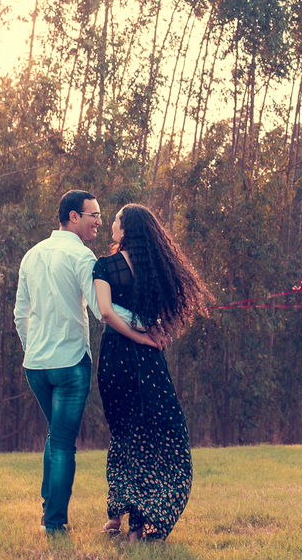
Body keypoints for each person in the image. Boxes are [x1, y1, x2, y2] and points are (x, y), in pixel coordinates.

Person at [92, 203, 209, 543]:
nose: (111, 224)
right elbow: (153, 316)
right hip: (147, 360)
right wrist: (146, 335)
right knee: (156, 434)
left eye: (115, 220)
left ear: (126, 229)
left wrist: (139, 334)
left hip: (114, 357)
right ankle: (139, 523)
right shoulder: (155, 269)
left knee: (124, 432)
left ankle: (118, 514)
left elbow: (106, 313)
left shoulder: (105, 266)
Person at [13, 190, 103, 534]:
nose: (98, 221)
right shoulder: (82, 256)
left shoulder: (31, 255)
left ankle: (48, 507)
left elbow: (21, 313)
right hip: (69, 364)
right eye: (93, 214)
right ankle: (54, 523)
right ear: (73, 217)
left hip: (35, 365)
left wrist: (31, 348)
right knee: (64, 442)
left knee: (57, 435)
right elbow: (100, 309)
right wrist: (141, 323)